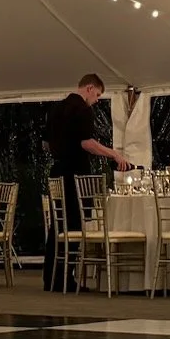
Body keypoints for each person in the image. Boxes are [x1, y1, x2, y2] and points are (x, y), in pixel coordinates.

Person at [42, 73, 130, 292]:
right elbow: (87, 143)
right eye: (98, 95)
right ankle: (67, 279)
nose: (97, 100)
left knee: (57, 225)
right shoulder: (83, 110)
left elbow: (45, 144)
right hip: (75, 174)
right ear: (89, 88)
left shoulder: (55, 109)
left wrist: (60, 149)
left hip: (57, 171)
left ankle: (51, 277)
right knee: (74, 225)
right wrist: (114, 154)